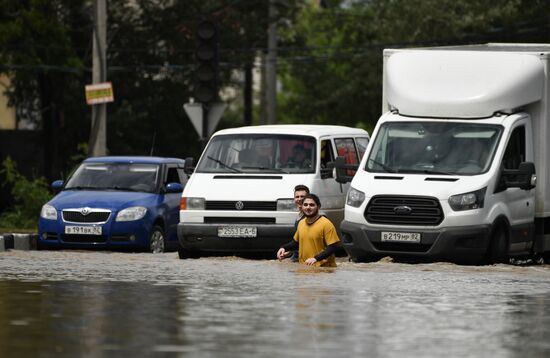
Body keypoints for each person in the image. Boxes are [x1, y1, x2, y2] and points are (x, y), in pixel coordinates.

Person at [277, 194, 341, 267]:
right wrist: (283, 248)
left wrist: (316, 258)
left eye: (311, 205)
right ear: (302, 206)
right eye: (305, 205)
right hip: (304, 268)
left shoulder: (326, 224)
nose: (308, 207)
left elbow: (333, 247)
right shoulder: (301, 223)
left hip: (324, 270)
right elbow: (296, 243)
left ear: (318, 206)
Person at [289, 184, 310, 262]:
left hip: (304, 259)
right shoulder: (299, 215)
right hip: (296, 257)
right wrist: (289, 252)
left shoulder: (310, 217)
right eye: (297, 197)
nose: (299, 199)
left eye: (302, 197)